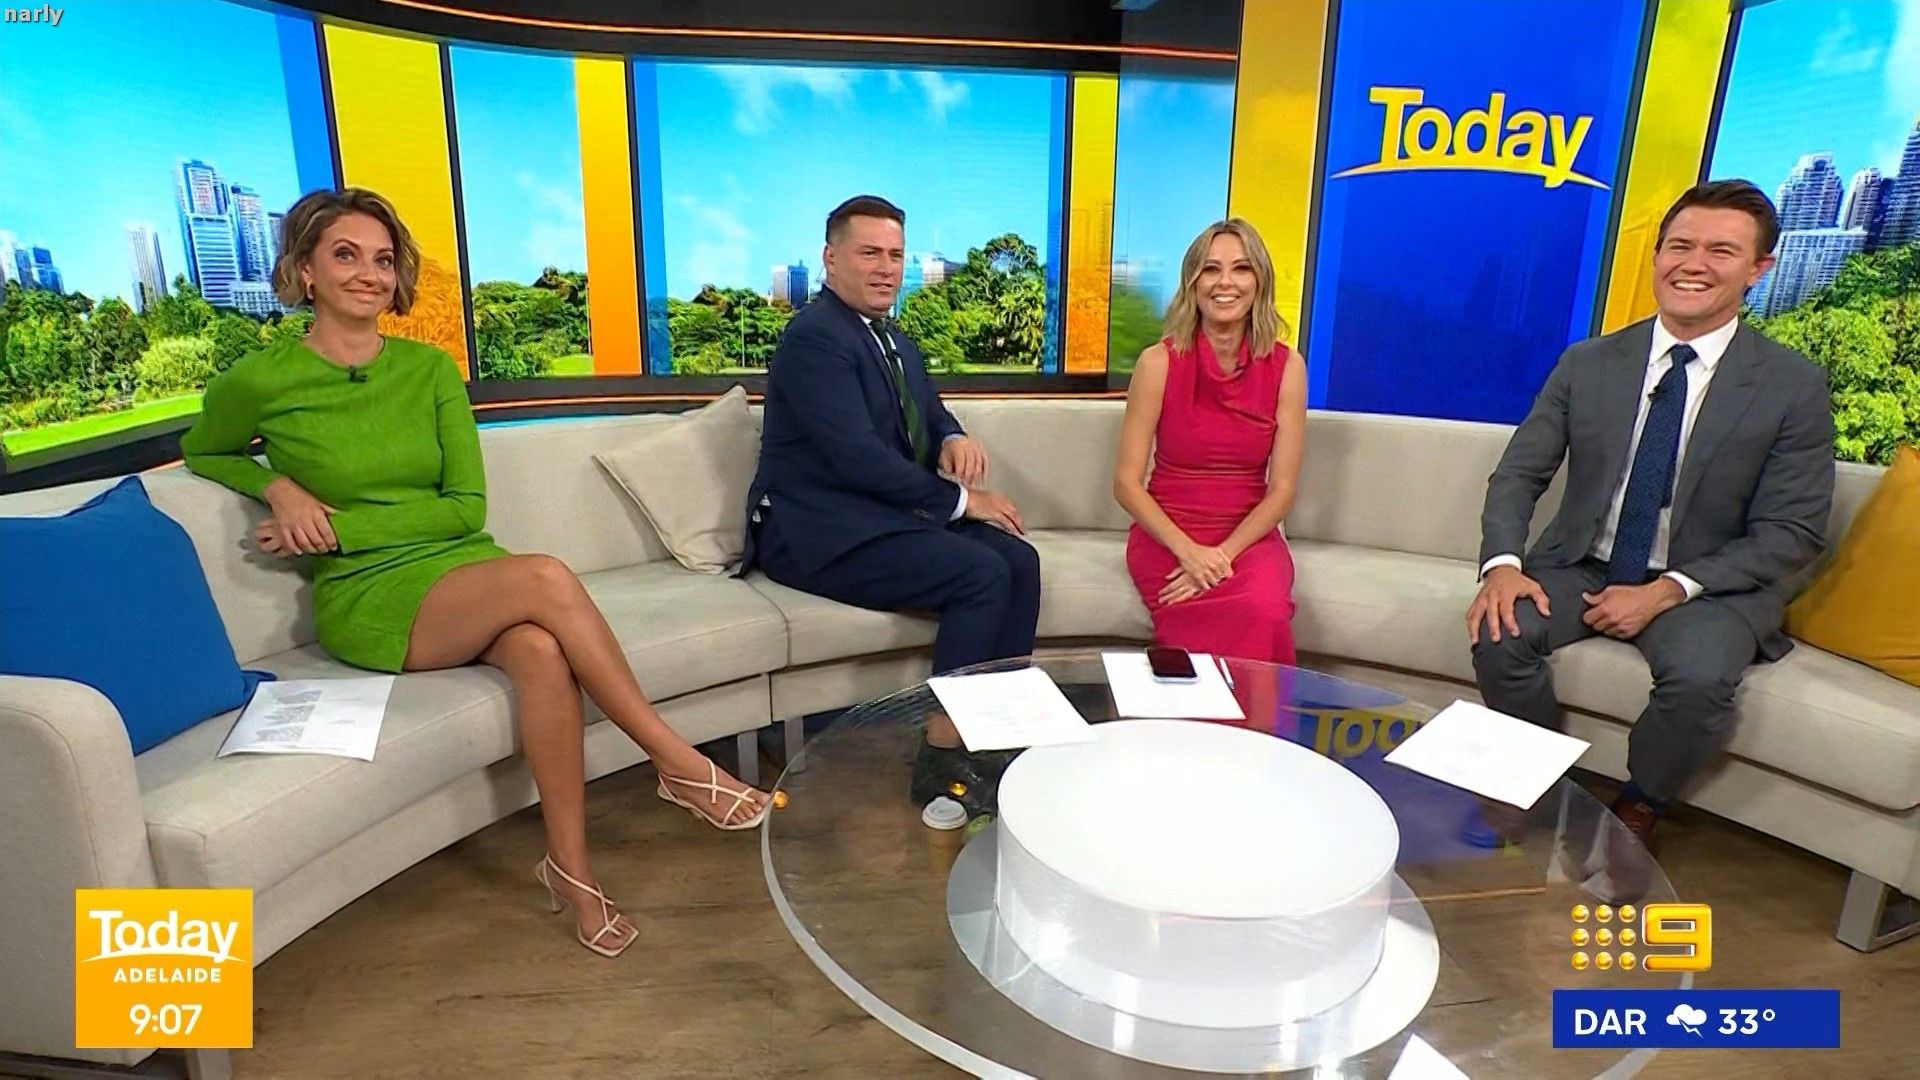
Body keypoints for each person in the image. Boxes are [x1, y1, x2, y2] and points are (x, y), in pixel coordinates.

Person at [181, 188, 769, 959]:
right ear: (305, 271)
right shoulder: (259, 380)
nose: (368, 274)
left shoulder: (428, 371)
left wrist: (340, 524)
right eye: (345, 255)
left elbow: (464, 510)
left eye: (382, 260)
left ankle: (572, 872)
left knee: (540, 651)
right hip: (368, 594)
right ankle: (677, 760)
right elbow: (205, 450)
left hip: (459, 567)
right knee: (547, 577)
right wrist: (279, 487)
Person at [1466, 180, 1835, 899]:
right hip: (1585, 561)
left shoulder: (1792, 385)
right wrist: (1503, 565)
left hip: (1708, 584)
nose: (1693, 263)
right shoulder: (1588, 362)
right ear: (1659, 255)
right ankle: (1535, 779)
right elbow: (1518, 473)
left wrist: (1667, 590)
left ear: (1758, 269)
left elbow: (1792, 532)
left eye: (1721, 251)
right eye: (1680, 245)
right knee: (1501, 628)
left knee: (1699, 681)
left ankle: (1639, 807)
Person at [742, 195, 1040, 813]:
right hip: (816, 533)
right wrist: (965, 501)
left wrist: (952, 435)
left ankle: (997, 731)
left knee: (1020, 560)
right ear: (830, 259)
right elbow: (858, 459)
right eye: (870, 253)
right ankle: (941, 755)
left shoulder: (892, 337)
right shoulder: (815, 339)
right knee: (980, 573)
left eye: (896, 255)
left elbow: (929, 409)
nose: (886, 268)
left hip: (879, 518)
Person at [1115, 218, 1308, 666]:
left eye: (1241, 269)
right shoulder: (1157, 363)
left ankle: (1258, 715)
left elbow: (1282, 491)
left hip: (1248, 540)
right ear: (1192, 282)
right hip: (1169, 536)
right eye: (1210, 269)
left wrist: (1220, 557)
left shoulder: (1287, 367)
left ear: (1259, 282)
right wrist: (1188, 552)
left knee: (1263, 610)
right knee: (1196, 627)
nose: (1225, 282)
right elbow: (1125, 484)